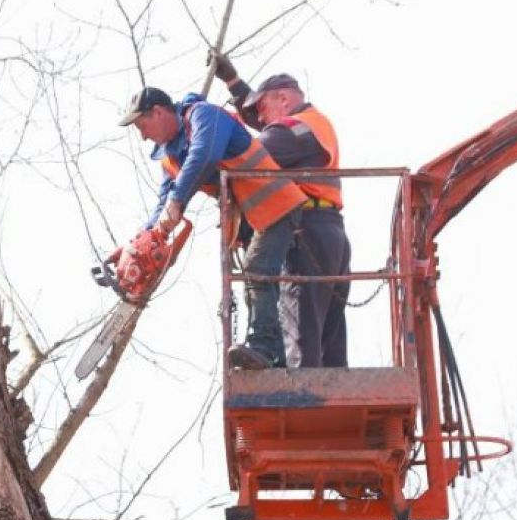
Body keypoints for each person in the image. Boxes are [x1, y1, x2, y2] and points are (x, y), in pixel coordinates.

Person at [117, 86, 306, 369]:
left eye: (143, 126)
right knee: (254, 280)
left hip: (275, 203)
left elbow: (204, 155)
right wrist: (140, 239)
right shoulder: (170, 156)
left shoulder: (204, 116)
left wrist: (178, 200)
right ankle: (271, 355)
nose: (143, 136)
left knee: (257, 270)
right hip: (250, 219)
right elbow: (162, 205)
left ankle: (266, 349)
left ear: (158, 112)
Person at [212, 55, 352, 367]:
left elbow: (252, 154)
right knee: (325, 335)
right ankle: (327, 399)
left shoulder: (295, 131)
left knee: (300, 332)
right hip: (329, 231)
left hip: (306, 234)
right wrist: (234, 83)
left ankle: (299, 396)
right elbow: (262, 124)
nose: (260, 119)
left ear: (284, 99)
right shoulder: (310, 125)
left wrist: (207, 147)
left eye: (263, 109)